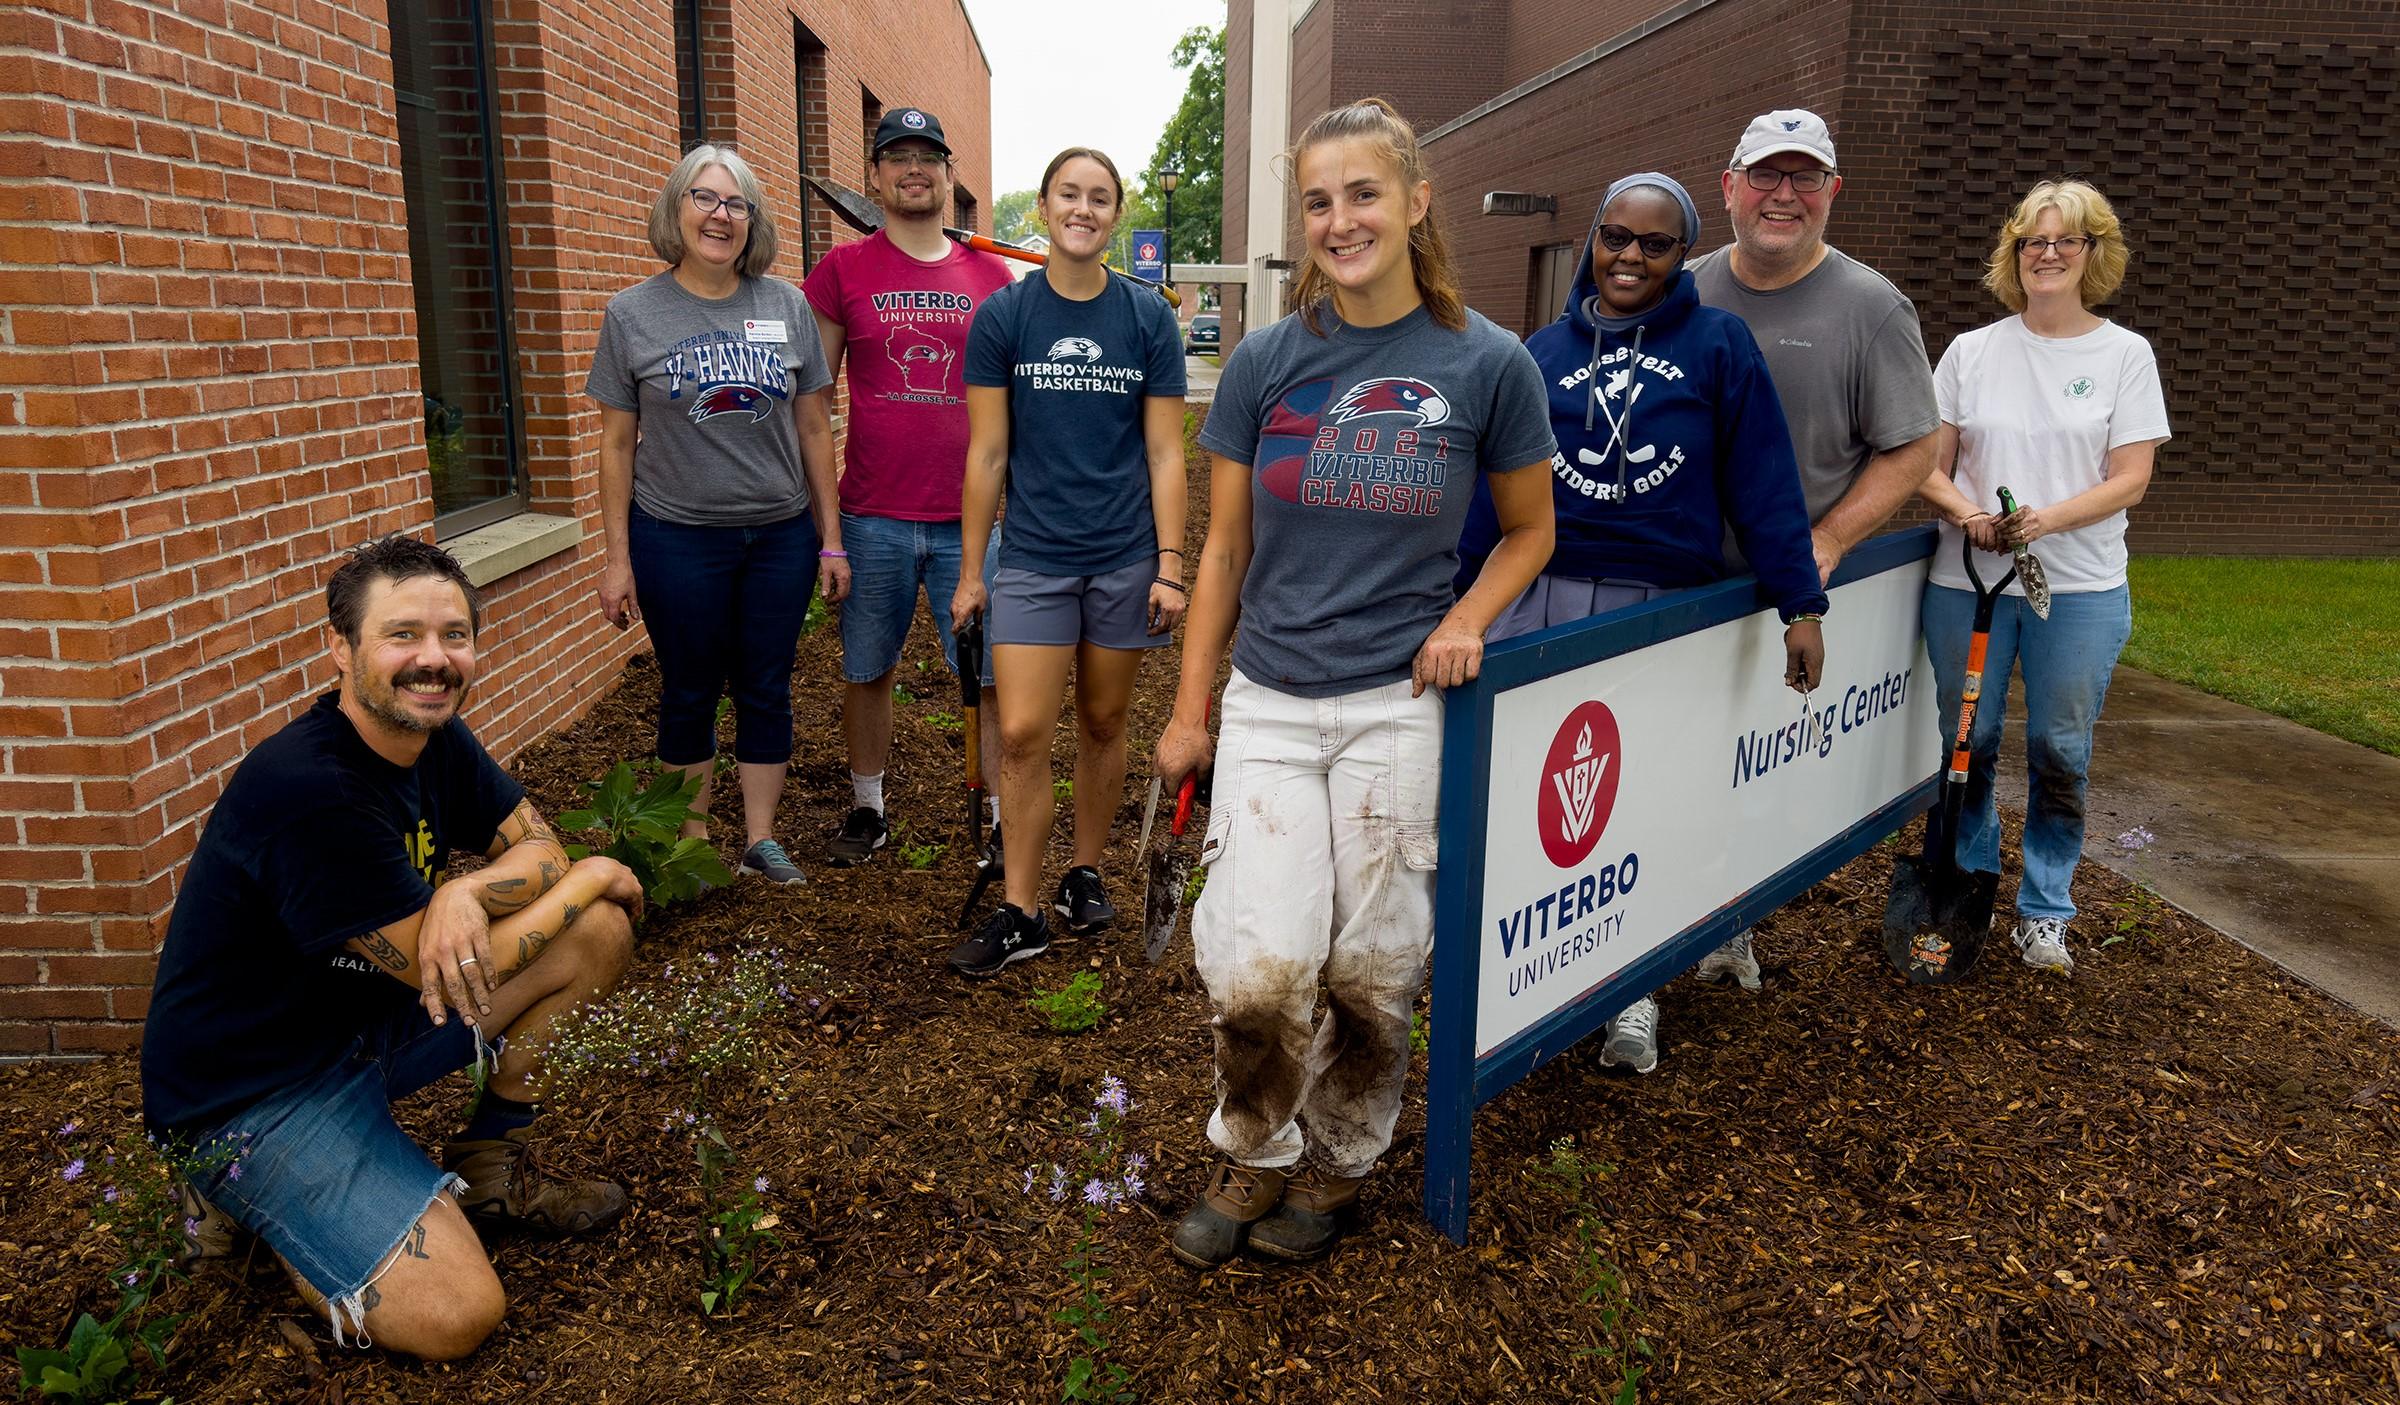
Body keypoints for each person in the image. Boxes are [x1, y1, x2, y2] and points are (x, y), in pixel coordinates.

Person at [1152, 99, 1556, 1266]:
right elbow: (1222, 550)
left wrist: (1467, 619)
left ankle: (1339, 1162)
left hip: (1398, 704)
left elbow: (1530, 532)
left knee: (1374, 961)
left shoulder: (1487, 362)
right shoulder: (1269, 361)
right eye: (1319, 200)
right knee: (1258, 957)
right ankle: (1254, 1147)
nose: (1341, 220)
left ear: (1416, 201)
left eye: (1364, 193)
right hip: (1272, 699)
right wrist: (1190, 714)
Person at [141, 536, 642, 1360]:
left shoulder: (433, 735)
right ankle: (238, 1196)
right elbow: (444, 958)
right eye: (402, 634)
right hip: (256, 1093)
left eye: (454, 635)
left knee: (594, 936)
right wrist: (592, 874)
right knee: (457, 1313)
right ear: (340, 647)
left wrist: (464, 889)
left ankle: (491, 1171)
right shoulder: (311, 788)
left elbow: (536, 848)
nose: (434, 659)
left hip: (367, 1025)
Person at [1456, 172, 1828, 1074]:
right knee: (1528, 807)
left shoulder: (1717, 343)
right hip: (1544, 598)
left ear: (1680, 253)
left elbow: (1764, 481)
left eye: (1654, 244)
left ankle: (1631, 992)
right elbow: (1492, 496)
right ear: (1593, 240)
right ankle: (1516, 987)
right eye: (1615, 237)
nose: (1630, 257)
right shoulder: (1540, 351)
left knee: (1640, 807)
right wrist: (1459, 604)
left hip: (1657, 614)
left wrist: (1800, 603)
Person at [1685, 107, 1941, 997]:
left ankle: (1727, 928)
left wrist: (1826, 541)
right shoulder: (1680, 291)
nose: (1781, 195)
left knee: (1750, 769)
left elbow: (1915, 444)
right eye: (1764, 175)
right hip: (1666, 588)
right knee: (1662, 768)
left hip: (1777, 594)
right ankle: (1631, 972)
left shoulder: (1871, 308)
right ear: (1728, 188)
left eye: (1804, 178)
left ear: (1833, 193)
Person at [1916, 179, 2168, 977]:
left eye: (2065, 241)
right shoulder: (1972, 351)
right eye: (2033, 242)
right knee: (1971, 741)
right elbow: (1926, 465)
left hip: (2082, 587)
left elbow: (2131, 477)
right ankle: (1970, 889)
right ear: (2014, 254)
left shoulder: (2124, 355)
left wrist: (2043, 520)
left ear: (2094, 254)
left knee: (2061, 747)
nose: (2047, 255)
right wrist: (1967, 514)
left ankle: (2046, 910)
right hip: (1970, 584)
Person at [947, 147, 1188, 976]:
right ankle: (1022, 909)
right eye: (1068, 195)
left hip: (1123, 559)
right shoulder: (1006, 319)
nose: (1083, 209)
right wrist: (973, 569)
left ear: (1115, 216)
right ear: (1043, 210)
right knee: (1018, 732)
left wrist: (1171, 563)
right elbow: (986, 454)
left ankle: (1084, 872)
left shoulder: (1147, 318)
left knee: (1103, 722)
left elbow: (1165, 452)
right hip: (1036, 560)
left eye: (1099, 198)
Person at [589, 144, 846, 886]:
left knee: (767, 682)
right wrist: (617, 558)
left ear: (752, 221)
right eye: (705, 198)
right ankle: (692, 844)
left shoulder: (785, 305)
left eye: (736, 204)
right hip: (675, 537)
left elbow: (812, 428)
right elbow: (615, 445)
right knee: (690, 686)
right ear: (676, 208)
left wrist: (830, 540)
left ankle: (761, 841)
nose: (720, 215)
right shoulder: (633, 314)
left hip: (779, 536)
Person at [803, 108, 1013, 867]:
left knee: (988, 676)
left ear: (950, 176)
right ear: (875, 175)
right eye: (898, 157)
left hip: (971, 521)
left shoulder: (991, 277)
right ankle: (869, 809)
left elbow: (1016, 403)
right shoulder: (843, 272)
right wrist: (827, 531)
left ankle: (995, 818)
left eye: (928, 155)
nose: (913, 169)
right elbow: (813, 404)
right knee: (867, 667)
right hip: (871, 516)